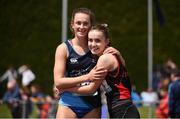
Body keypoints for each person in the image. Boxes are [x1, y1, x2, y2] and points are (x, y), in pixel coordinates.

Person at [54, 8, 121, 118]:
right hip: (68, 104)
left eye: (85, 23)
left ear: (91, 26)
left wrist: (119, 55)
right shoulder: (63, 48)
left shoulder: (97, 48)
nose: (81, 27)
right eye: (78, 23)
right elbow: (58, 82)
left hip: (92, 106)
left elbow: (118, 66)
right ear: (72, 25)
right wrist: (87, 77)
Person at [62, 23, 140, 118]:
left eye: (97, 41)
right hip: (122, 109)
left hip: (123, 110)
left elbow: (91, 89)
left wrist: (65, 89)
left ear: (107, 41)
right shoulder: (109, 56)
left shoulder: (104, 59)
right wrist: (119, 55)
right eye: (90, 40)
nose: (93, 44)